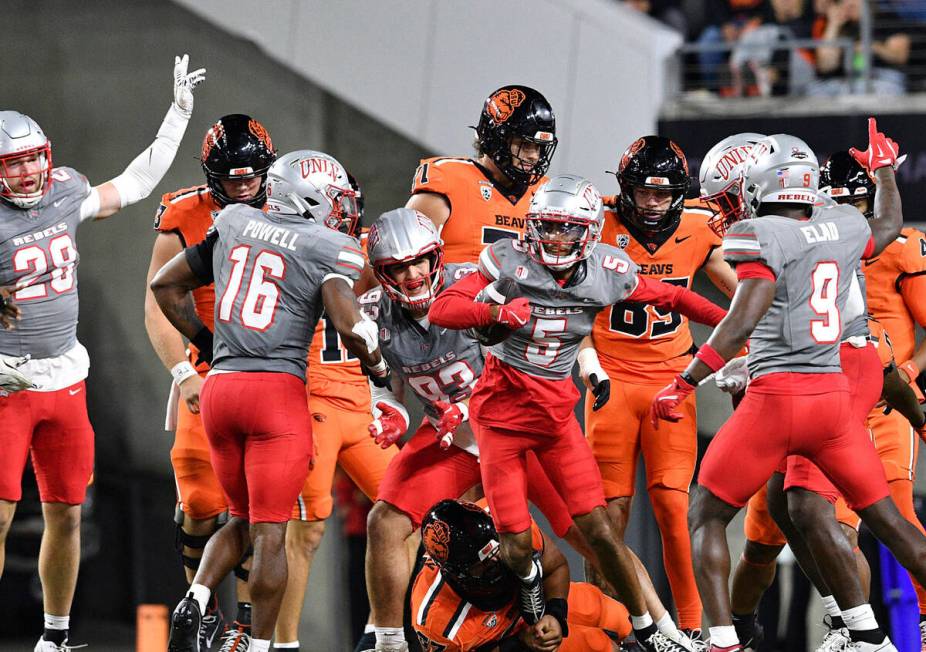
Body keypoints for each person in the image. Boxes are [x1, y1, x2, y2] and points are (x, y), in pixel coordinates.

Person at [428, 174, 728, 652]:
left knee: (603, 534)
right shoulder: (509, 260)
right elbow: (443, 308)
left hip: (555, 420)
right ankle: (531, 590)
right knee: (517, 548)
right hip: (500, 419)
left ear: (588, 233)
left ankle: (651, 632)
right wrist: (495, 315)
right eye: (546, 227)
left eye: (567, 229)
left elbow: (672, 297)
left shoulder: (608, 268)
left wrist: (737, 325)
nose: (554, 239)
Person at [659, 124, 926, 652]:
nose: (725, 210)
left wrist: (693, 376)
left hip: (834, 369)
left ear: (761, 183)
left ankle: (857, 635)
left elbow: (752, 311)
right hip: (833, 372)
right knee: (788, 507)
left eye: (732, 196)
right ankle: (854, 627)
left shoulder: (763, 232)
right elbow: (887, 223)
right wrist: (885, 170)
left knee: (804, 509)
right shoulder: (839, 220)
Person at [0, 54, 205, 651]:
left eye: (35, 158)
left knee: (67, 510)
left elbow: (135, 184)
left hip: (64, 379)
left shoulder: (64, 192)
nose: (31, 172)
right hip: (7, 384)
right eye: (14, 164)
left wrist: (177, 116)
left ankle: (56, 636)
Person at [151, 149, 389, 652]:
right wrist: (380, 368)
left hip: (221, 389)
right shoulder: (331, 246)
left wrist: (207, 342)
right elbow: (350, 324)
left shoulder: (235, 218)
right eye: (336, 201)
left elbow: (164, 284)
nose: (344, 212)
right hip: (276, 394)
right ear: (311, 201)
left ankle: (194, 598)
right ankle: (260, 646)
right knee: (270, 535)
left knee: (238, 518)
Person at [358, 207, 580, 652]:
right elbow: (386, 387)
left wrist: (468, 403)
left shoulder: (477, 285)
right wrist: (389, 412)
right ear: (381, 274)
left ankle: (649, 627)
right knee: (384, 521)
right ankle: (386, 643)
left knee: (593, 533)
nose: (412, 275)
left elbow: (535, 356)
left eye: (419, 261)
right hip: (454, 440)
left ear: (436, 258)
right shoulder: (372, 315)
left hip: (517, 429)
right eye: (397, 268)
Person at [581, 135, 738, 644]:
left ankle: (690, 629)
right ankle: (613, 628)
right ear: (625, 189)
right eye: (643, 193)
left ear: (679, 193)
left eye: (663, 193)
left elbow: (743, 296)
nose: (652, 203)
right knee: (607, 519)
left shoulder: (697, 227)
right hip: (611, 379)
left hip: (672, 381)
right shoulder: (597, 222)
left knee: (675, 507)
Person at [144, 113, 276, 649]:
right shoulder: (185, 214)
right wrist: (183, 369)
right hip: (209, 363)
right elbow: (157, 301)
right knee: (201, 501)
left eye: (251, 177)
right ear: (210, 175)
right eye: (231, 178)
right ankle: (202, 614)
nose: (243, 188)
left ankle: (245, 627)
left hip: (273, 366)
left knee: (261, 504)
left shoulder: (291, 201)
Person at [272, 174, 400, 652]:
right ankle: (282, 644)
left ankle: (380, 632)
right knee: (306, 530)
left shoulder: (372, 249)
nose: (346, 216)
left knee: (410, 513)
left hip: (362, 401)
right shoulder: (290, 248)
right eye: (337, 205)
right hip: (314, 401)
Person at [825, 150, 926, 646]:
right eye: (839, 203)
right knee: (835, 525)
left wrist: (907, 370)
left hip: (887, 396)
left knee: (897, 520)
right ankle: (855, 632)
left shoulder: (903, 246)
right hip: (836, 399)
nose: (850, 214)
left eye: (859, 202)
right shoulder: (816, 245)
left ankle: (924, 621)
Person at [412, 499, 633, 652]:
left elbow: (555, 566)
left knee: (619, 618)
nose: (496, 563)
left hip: (534, 599)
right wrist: (519, 645)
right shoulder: (436, 621)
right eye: (484, 563)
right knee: (600, 646)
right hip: (506, 642)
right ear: (457, 572)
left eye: (497, 551)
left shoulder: (506, 522)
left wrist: (555, 613)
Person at [407, 84, 556, 263]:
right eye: (524, 145)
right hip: (454, 289)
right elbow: (399, 257)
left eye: (539, 147)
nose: (533, 155)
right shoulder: (450, 181)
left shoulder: (546, 195)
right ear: (496, 138)